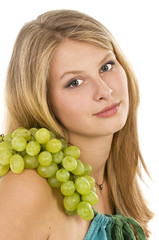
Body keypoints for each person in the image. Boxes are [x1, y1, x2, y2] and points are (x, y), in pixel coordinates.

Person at [0, 9, 153, 239]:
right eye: (75, 82)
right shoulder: (29, 188)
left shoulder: (114, 179)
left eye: (106, 67)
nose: (105, 91)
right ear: (41, 101)